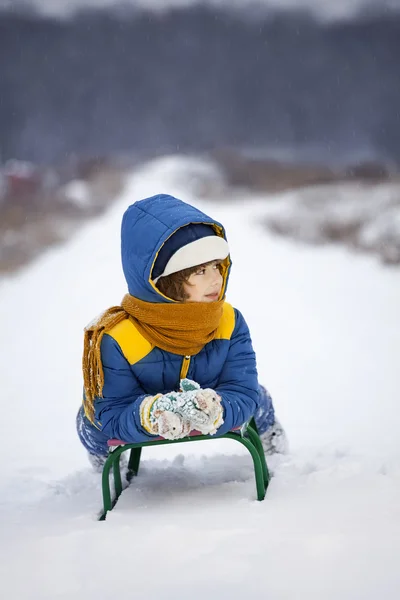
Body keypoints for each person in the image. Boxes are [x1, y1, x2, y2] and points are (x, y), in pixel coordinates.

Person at [77, 193, 287, 471]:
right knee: (92, 417)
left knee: (257, 397)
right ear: (165, 281)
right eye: (200, 270)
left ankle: (273, 443)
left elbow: (241, 388)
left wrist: (219, 408)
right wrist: (149, 415)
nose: (216, 279)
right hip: (142, 406)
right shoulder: (118, 336)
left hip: (209, 394)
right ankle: (103, 463)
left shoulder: (228, 320)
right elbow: (114, 411)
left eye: (216, 266)